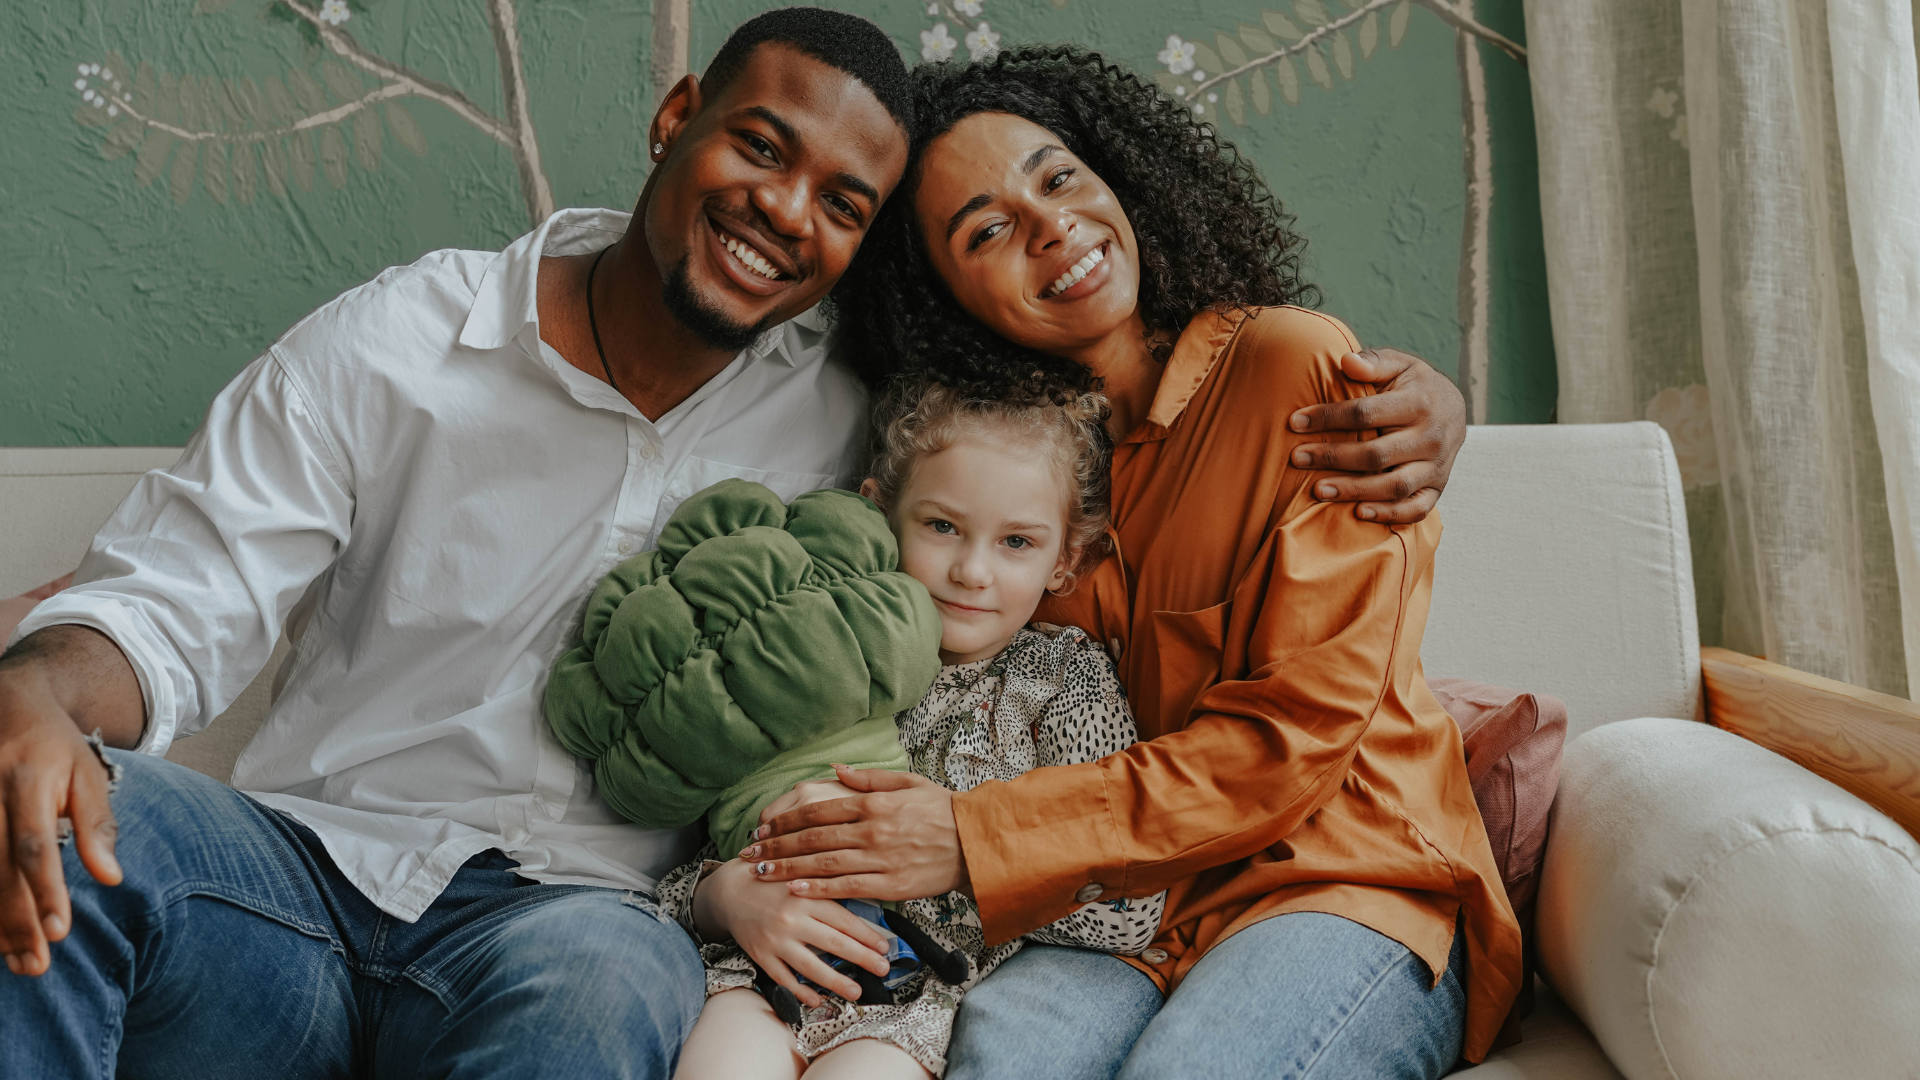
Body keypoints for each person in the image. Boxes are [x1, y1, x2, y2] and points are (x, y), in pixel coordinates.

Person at [0, 9, 1466, 1078]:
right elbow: (178, 595)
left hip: (589, 918)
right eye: (761, 149)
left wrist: (1429, 406)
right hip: (307, 866)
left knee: (601, 979)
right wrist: (45, 685)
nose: (784, 214)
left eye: (843, 205)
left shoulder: (918, 407)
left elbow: (1250, 683)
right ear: (676, 116)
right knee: (56, 806)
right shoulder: (410, 338)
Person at [740, 46, 1521, 1080]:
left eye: (1058, 176)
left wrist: (976, 837)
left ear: (1119, 176)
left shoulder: (1294, 371)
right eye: (987, 230)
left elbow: (1291, 739)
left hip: (1342, 885)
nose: (1051, 225)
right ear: (941, 297)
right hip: (1109, 927)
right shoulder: (991, 487)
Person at [665, 376, 1165, 1079]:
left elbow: (1126, 911)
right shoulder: (818, 651)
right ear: (880, 514)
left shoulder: (1063, 678)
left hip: (916, 999)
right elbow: (698, 853)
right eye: (941, 526)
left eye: (1017, 541)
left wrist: (966, 857)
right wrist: (722, 897)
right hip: (760, 967)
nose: (971, 570)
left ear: (1067, 560)